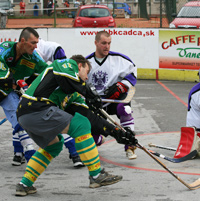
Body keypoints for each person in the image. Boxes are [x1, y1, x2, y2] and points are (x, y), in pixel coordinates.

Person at [15, 55, 137, 196]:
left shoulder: (72, 94)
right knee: (80, 125)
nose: (86, 78)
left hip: (26, 116)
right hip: (37, 107)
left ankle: (24, 184)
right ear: (79, 66)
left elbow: (90, 117)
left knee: (54, 145)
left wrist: (116, 132)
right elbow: (69, 76)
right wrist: (91, 93)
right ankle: (96, 175)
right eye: (86, 72)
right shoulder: (66, 64)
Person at [0, 27, 49, 165]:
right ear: (23, 41)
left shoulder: (33, 57)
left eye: (36, 43)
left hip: (7, 92)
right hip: (4, 87)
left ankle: (28, 152)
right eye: (33, 43)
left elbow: (45, 72)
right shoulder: (5, 48)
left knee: (19, 118)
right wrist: (14, 82)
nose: (36, 46)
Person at [86, 31, 138, 160]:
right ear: (96, 43)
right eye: (103, 43)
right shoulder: (87, 62)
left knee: (124, 109)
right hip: (97, 103)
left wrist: (122, 85)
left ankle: (129, 147)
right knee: (94, 139)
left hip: (114, 100)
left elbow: (133, 74)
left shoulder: (120, 59)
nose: (107, 46)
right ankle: (99, 139)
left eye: (109, 43)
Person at [35, 38, 84, 168]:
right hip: (38, 93)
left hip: (46, 89)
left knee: (62, 123)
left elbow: (62, 64)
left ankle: (75, 153)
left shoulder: (50, 48)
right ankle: (23, 152)